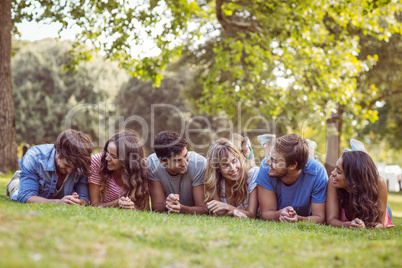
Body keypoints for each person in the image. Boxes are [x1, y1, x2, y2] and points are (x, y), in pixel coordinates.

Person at [7, 129, 93, 205]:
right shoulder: (35, 157)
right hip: (34, 191)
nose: (70, 171)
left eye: (74, 168)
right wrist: (59, 202)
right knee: (17, 189)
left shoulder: (83, 161)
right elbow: (26, 196)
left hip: (60, 195)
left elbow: (84, 198)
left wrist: (77, 202)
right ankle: (15, 181)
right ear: (57, 151)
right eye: (67, 165)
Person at [257, 134, 328, 223]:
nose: (267, 162)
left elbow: (319, 217)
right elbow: (266, 213)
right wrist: (280, 214)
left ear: (292, 165)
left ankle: (311, 149)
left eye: (274, 160)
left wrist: (298, 218)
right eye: (269, 157)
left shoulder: (318, 172)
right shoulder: (265, 168)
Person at [326, 150, 394, 228]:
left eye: (339, 171)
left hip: (377, 206)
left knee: (386, 208)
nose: (332, 173)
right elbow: (331, 220)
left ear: (352, 177)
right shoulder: (333, 181)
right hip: (358, 201)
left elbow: (380, 224)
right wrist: (349, 224)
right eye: (335, 168)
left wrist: (365, 226)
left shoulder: (379, 183)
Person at [147, 131, 207, 214]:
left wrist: (182, 208)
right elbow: (156, 208)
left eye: (185, 155)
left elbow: (204, 209)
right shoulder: (153, 163)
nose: (185, 164)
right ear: (163, 162)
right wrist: (167, 203)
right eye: (178, 160)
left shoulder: (199, 163)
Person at [88, 130, 149, 210]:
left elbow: (146, 209)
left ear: (127, 161)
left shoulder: (143, 168)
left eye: (113, 156)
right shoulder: (98, 161)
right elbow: (94, 205)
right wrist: (116, 203)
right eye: (107, 152)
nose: (107, 158)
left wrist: (133, 207)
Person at [204, 138, 259, 218]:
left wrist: (227, 207)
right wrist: (232, 212)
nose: (233, 168)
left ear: (239, 158)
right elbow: (218, 213)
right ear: (218, 169)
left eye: (234, 161)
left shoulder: (252, 174)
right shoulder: (216, 181)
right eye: (225, 165)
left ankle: (248, 151)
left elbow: (251, 215)